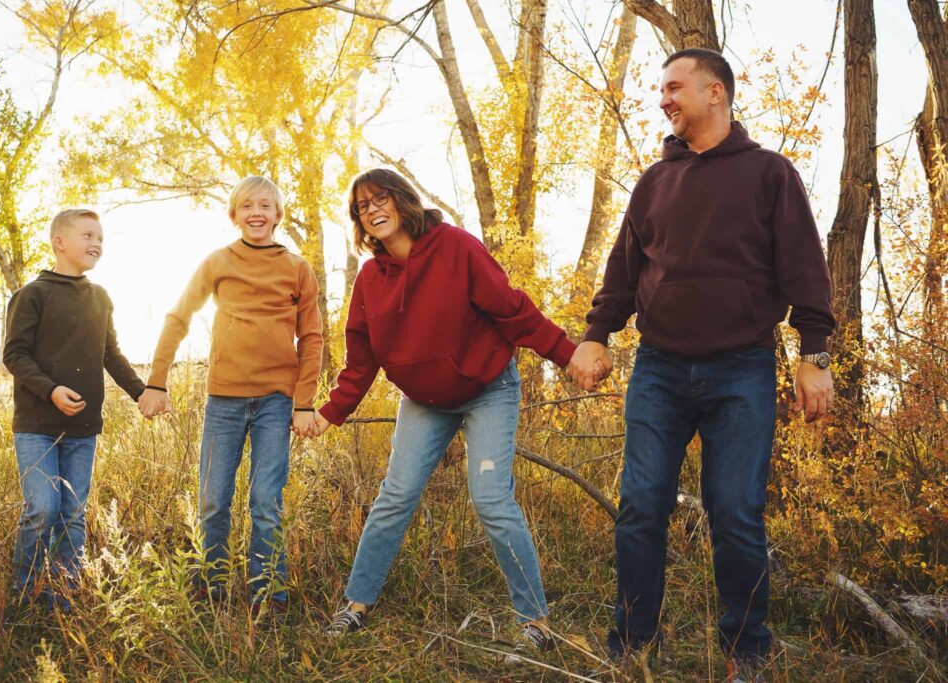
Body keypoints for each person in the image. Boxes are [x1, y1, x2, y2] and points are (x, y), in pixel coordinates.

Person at [569, 49, 836, 680]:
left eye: (674, 87)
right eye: (662, 89)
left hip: (741, 369)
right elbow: (624, 269)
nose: (663, 99)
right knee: (640, 506)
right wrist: (596, 334)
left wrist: (814, 353)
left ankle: (746, 654)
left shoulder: (769, 174)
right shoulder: (654, 182)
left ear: (715, 92)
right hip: (659, 370)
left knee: (736, 512)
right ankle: (632, 646)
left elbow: (804, 264)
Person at [312, 168, 578, 655]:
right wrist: (330, 413)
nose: (372, 211)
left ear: (401, 200)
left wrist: (567, 353)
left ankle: (536, 620)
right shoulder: (372, 277)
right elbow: (361, 357)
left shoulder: (455, 247)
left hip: (487, 387)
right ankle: (356, 605)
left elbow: (512, 310)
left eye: (379, 199)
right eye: (361, 208)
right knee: (395, 496)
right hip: (424, 400)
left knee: (491, 500)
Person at [139, 176, 323, 619]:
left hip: (277, 402)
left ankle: (269, 596)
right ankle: (212, 587)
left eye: (265, 205)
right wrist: (156, 380)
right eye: (247, 206)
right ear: (234, 214)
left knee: (265, 500)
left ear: (278, 214)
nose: (256, 212)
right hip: (223, 400)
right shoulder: (217, 262)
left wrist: (304, 402)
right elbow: (179, 316)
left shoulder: (297, 268)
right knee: (213, 498)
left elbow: (312, 336)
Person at [3, 208, 152, 610]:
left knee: (72, 511)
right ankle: (28, 591)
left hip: (83, 428)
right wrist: (50, 391)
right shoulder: (32, 295)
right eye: (87, 235)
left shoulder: (99, 297)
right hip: (37, 425)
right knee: (42, 507)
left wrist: (141, 392)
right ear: (59, 242)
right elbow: (14, 355)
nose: (96, 244)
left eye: (100, 238)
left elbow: (111, 353)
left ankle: (66, 593)